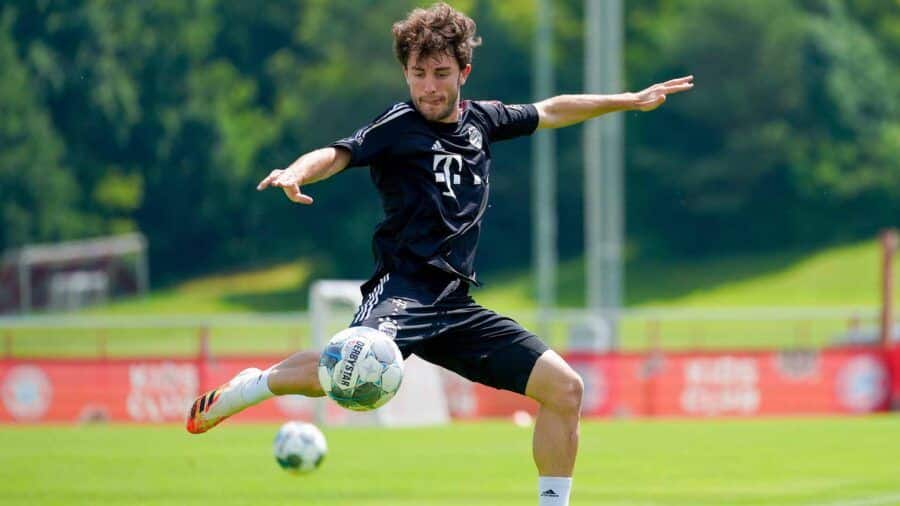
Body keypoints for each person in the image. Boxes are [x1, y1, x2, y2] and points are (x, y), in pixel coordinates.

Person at [185, 3, 692, 505]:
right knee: (344, 373)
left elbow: (552, 109)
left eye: (441, 73)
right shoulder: (398, 124)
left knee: (565, 389)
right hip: (403, 289)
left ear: (463, 72)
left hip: (455, 305)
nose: (429, 86)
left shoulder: (484, 121)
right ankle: (251, 388)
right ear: (405, 73)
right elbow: (339, 153)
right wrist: (296, 171)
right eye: (418, 73)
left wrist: (627, 99)